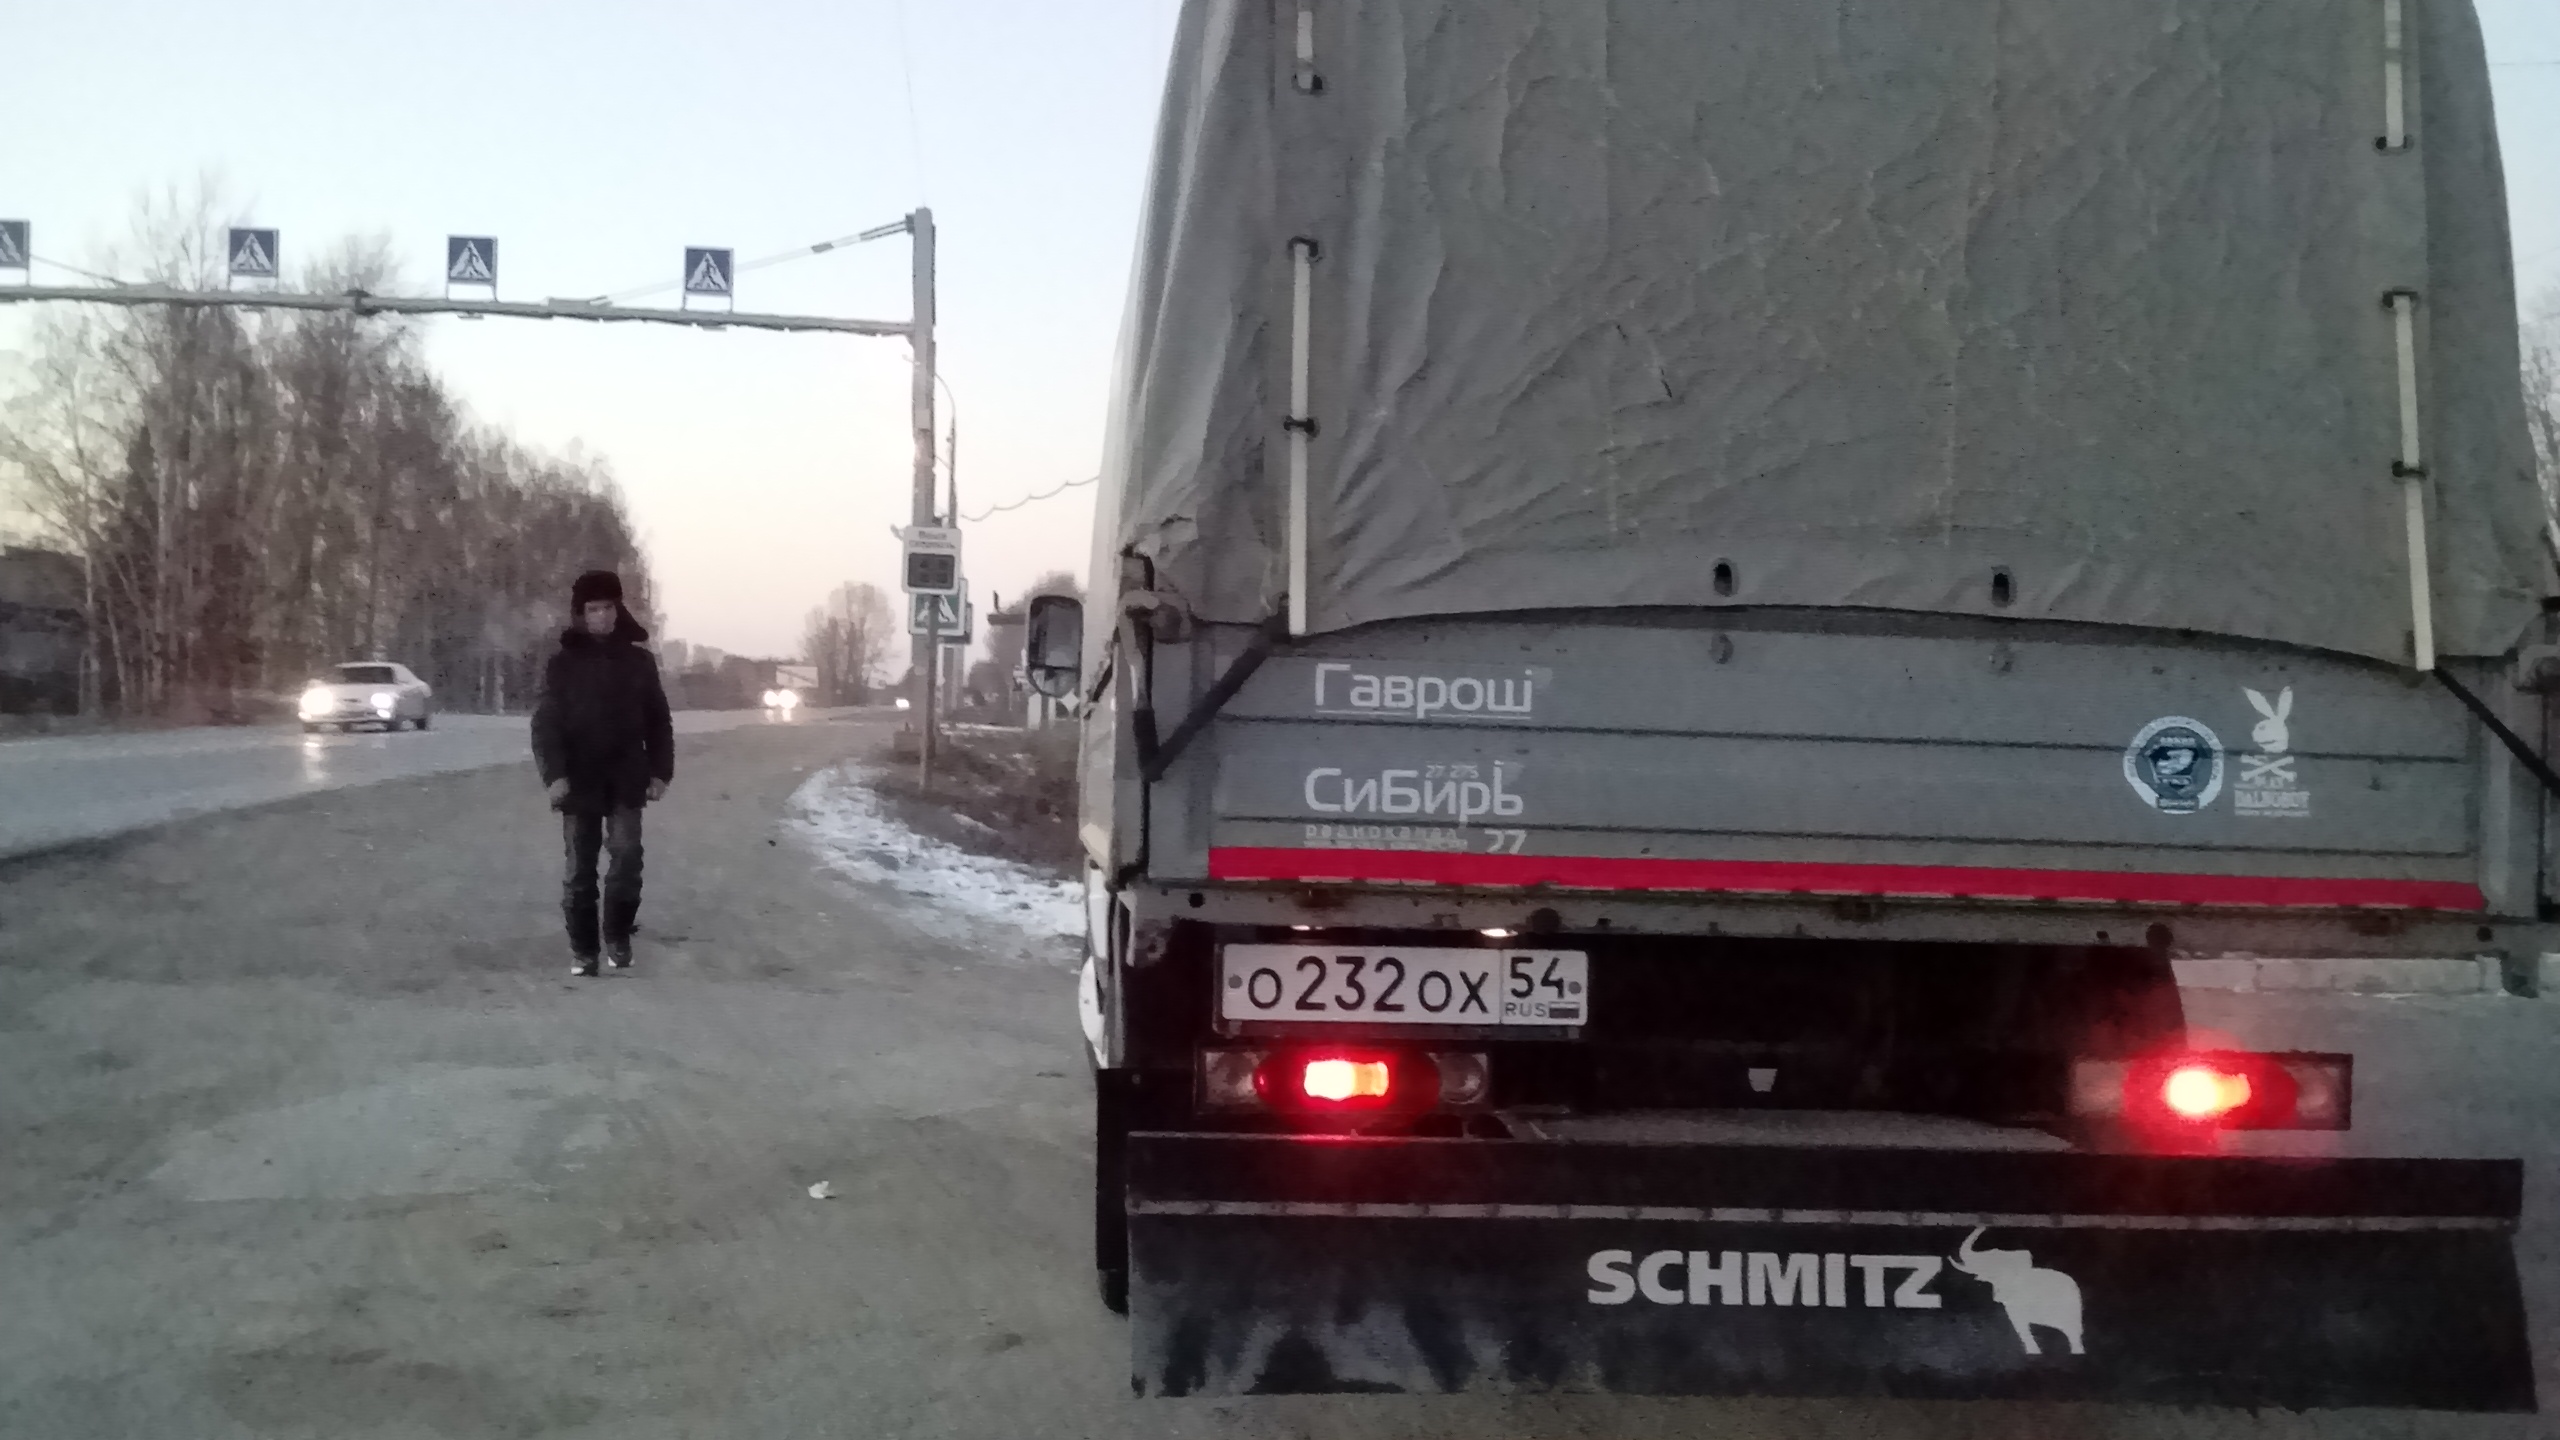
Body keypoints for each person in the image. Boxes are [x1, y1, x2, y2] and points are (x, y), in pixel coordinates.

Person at [531, 570, 674, 977]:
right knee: (580, 868)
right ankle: (583, 950)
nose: (603, 615)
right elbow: (546, 725)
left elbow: (658, 721)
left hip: (626, 776)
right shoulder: (562, 664)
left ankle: (618, 936)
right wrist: (554, 776)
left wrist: (661, 772)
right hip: (579, 779)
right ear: (581, 614)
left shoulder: (639, 662)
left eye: (609, 607)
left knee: (627, 858)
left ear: (618, 609)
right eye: (593, 609)